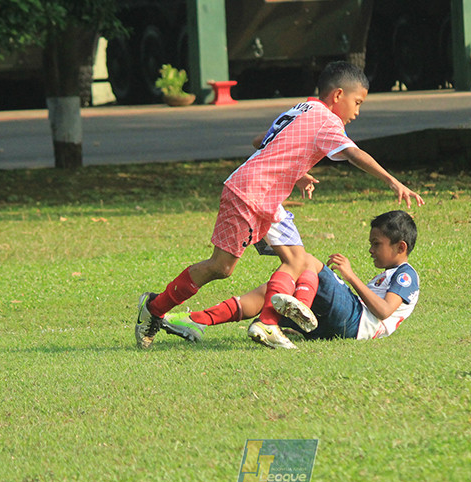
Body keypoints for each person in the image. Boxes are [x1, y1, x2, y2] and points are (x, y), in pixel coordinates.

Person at [136, 60, 424, 350]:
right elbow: (353, 153)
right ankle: (157, 307)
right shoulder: (327, 119)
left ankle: (266, 322)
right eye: (357, 102)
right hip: (254, 193)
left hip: (259, 192)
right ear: (338, 96)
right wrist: (392, 181)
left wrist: (295, 171)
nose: (357, 112)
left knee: (293, 261)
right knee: (224, 267)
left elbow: (261, 140)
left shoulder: (302, 108)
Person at [166, 210, 420, 348]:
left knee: (306, 261)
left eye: (377, 244)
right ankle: (195, 321)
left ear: (401, 247)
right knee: (272, 294)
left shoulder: (406, 275)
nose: (371, 250)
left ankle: (300, 305)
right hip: (340, 328)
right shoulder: (389, 273)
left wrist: (351, 276)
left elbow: (385, 311)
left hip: (355, 324)